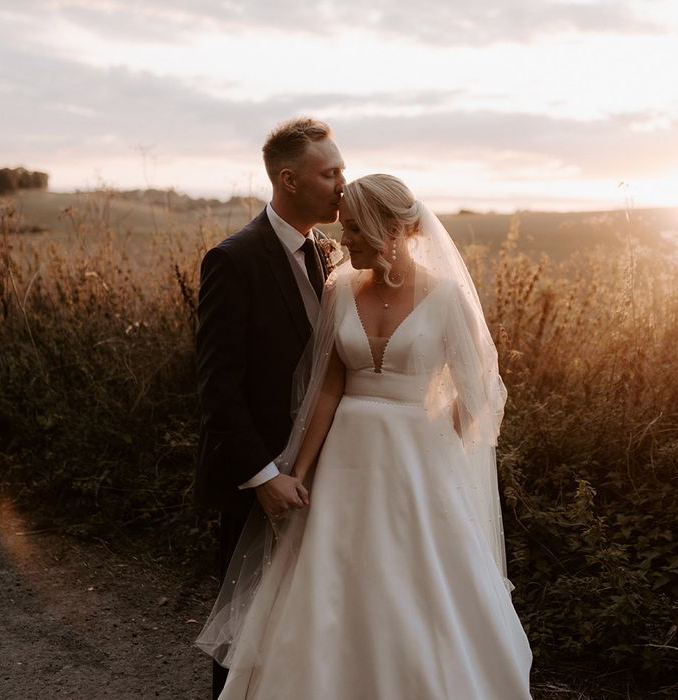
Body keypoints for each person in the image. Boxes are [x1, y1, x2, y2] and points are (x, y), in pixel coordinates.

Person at [196, 174, 533, 699]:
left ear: (390, 229)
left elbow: (479, 394)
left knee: (416, 588)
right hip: (343, 464)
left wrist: (437, 448)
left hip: (418, 470)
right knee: (329, 583)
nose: (341, 237)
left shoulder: (445, 299)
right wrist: (298, 471)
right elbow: (328, 388)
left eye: (353, 228)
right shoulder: (341, 287)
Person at [194, 117, 345, 698]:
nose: (341, 185)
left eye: (342, 170)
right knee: (246, 618)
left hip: (318, 469)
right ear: (288, 179)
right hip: (255, 474)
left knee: (307, 606)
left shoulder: (329, 253)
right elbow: (217, 388)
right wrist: (262, 477)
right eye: (329, 173)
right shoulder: (233, 260)